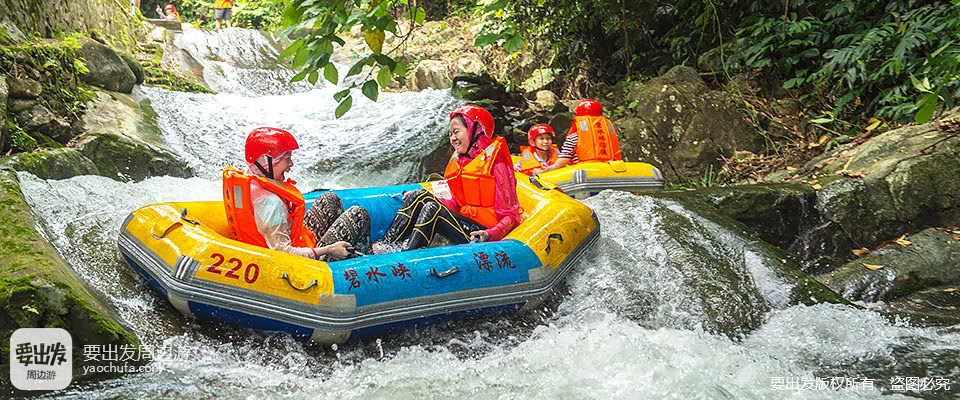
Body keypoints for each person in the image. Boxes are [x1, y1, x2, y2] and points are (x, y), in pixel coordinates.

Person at [372, 105, 520, 253]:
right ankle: (385, 245)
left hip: (479, 232)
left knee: (432, 209)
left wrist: (490, 234)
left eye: (456, 132)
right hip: (463, 223)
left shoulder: (497, 165)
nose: (453, 138)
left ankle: (404, 253)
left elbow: (511, 216)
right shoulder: (463, 162)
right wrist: (428, 197)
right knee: (418, 195)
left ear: (475, 130)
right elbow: (457, 203)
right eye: (450, 134)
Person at [223, 127, 370, 261]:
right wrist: (329, 249)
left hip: (282, 243)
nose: (291, 165)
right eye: (287, 160)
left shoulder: (250, 180)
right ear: (266, 161)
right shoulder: (270, 203)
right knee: (358, 215)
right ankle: (367, 260)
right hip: (297, 263)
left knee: (329, 199)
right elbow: (283, 253)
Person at [533, 99, 622, 174]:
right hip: (611, 172)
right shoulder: (611, 135)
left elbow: (559, 164)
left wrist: (543, 172)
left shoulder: (574, 137)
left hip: (586, 175)